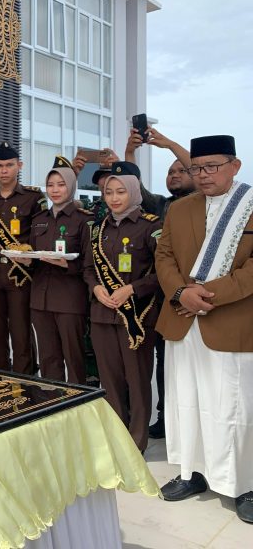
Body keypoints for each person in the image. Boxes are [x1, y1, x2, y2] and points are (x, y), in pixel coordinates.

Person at [155, 135, 253, 524]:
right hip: (182, 321)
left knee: (234, 405)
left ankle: (244, 483)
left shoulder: (250, 206)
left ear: (235, 165)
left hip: (231, 321)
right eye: (197, 168)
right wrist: (181, 292)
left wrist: (206, 294)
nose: (204, 174)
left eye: (213, 166)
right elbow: (163, 256)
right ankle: (191, 472)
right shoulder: (179, 210)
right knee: (186, 401)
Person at [83, 161, 161, 453]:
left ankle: (136, 444)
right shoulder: (97, 229)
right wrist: (96, 287)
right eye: (108, 192)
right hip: (103, 314)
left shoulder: (151, 226)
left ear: (134, 192)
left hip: (136, 318)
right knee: (110, 382)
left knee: (138, 382)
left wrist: (132, 288)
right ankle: (117, 442)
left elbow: (162, 272)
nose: (114, 198)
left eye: (120, 192)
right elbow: (88, 269)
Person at [125, 126, 194, 439]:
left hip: (194, 291)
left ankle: (189, 422)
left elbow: (196, 166)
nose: (175, 174)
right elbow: (133, 186)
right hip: (163, 294)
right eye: (170, 172)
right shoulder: (162, 205)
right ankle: (166, 419)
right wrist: (129, 154)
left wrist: (168, 145)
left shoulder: (200, 200)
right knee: (164, 359)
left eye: (181, 171)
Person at [0, 142, 47, 373]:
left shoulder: (33, 197)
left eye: (9, 165)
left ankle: (25, 386)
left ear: (19, 166)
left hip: (21, 274)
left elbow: (41, 235)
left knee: (21, 334)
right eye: (0, 166)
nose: (4, 170)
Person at [24, 156, 93, 384]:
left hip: (69, 300)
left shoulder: (84, 220)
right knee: (48, 358)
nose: (55, 190)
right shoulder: (39, 219)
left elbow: (90, 263)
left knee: (74, 358)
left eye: (61, 185)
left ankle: (77, 407)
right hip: (40, 299)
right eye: (51, 185)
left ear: (72, 186)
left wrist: (67, 264)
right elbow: (33, 255)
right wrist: (25, 260)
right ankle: (52, 404)